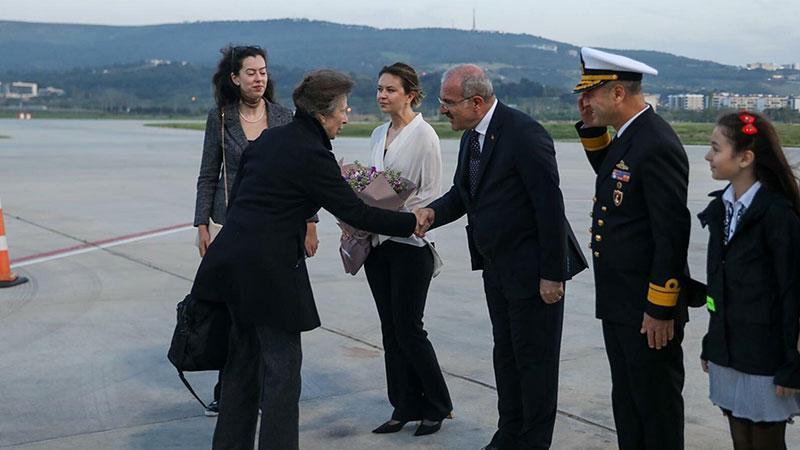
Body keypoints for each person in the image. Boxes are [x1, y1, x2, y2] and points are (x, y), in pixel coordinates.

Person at [191, 69, 425, 450]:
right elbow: (356, 212)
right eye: (343, 110)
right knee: (282, 373)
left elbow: (245, 199)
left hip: (230, 266)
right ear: (323, 113)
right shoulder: (313, 154)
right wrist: (411, 222)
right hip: (268, 274)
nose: (346, 117)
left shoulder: (269, 140)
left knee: (240, 368)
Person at [415, 64, 570, 450]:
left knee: (535, 361)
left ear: (476, 102)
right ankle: (509, 432)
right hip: (497, 268)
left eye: (448, 102)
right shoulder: (472, 137)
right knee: (507, 356)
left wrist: (554, 274)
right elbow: (463, 193)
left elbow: (550, 207)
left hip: (533, 272)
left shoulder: (524, 134)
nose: (442, 110)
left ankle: (534, 442)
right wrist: (432, 213)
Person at [573, 47, 691, 449]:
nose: (584, 101)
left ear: (618, 93)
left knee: (654, 408)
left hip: (646, 307)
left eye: (591, 94)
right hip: (621, 301)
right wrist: (591, 126)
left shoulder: (655, 143)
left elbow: (671, 233)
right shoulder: (632, 136)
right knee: (628, 402)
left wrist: (660, 308)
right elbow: (617, 180)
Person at [193, 45, 318, 416]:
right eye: (251, 72)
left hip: (277, 229)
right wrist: (201, 223)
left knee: (270, 310)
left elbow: (301, 174)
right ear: (235, 78)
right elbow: (207, 173)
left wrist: (310, 223)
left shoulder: (283, 117)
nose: (259, 78)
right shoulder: (220, 118)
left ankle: (268, 389)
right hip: (232, 226)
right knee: (234, 309)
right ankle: (228, 390)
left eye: (263, 71)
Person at [698, 111, 800, 450]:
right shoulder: (721, 210)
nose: (708, 156)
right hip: (729, 349)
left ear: (745, 158)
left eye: (716, 148)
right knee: (740, 439)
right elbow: (719, 288)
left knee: (765, 441)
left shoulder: (777, 215)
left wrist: (792, 363)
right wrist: (712, 342)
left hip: (766, 356)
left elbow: (792, 294)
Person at [364, 62, 452, 437]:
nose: (382, 95)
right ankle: (403, 405)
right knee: (390, 331)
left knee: (409, 329)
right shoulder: (377, 133)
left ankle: (437, 404)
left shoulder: (425, 136)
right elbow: (371, 184)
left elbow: (430, 194)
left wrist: (394, 212)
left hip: (410, 245)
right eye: (379, 89)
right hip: (377, 245)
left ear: (410, 94)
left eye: (390, 90)